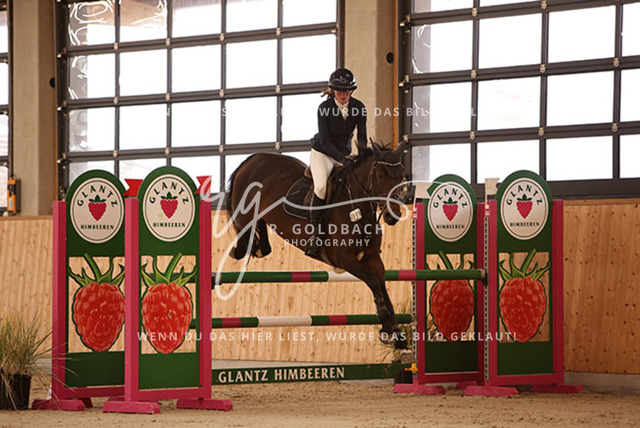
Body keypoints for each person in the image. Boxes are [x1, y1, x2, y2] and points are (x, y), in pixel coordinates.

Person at [305, 68, 368, 257]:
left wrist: (362, 159)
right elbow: (325, 141)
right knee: (321, 187)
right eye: (339, 90)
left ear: (351, 91)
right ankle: (315, 234)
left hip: (344, 154)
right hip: (323, 153)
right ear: (333, 90)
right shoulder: (324, 108)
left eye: (347, 90)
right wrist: (342, 160)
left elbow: (362, 138)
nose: (343, 94)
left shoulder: (359, 107)